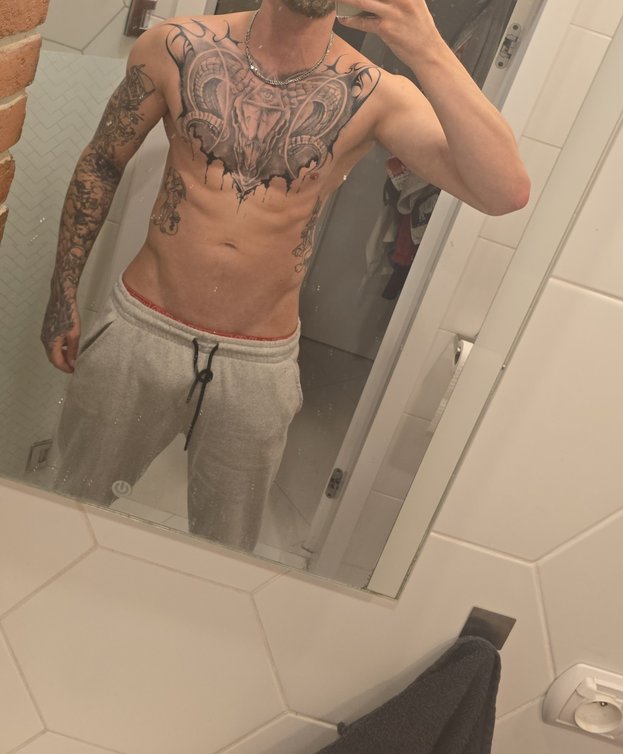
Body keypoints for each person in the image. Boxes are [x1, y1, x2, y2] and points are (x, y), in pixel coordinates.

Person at [40, 0, 530, 551]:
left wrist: (428, 49)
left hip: (258, 365)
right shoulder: (177, 47)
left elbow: (504, 191)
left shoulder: (374, 93)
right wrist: (63, 294)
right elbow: (102, 163)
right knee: (65, 512)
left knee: (226, 554)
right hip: (141, 332)